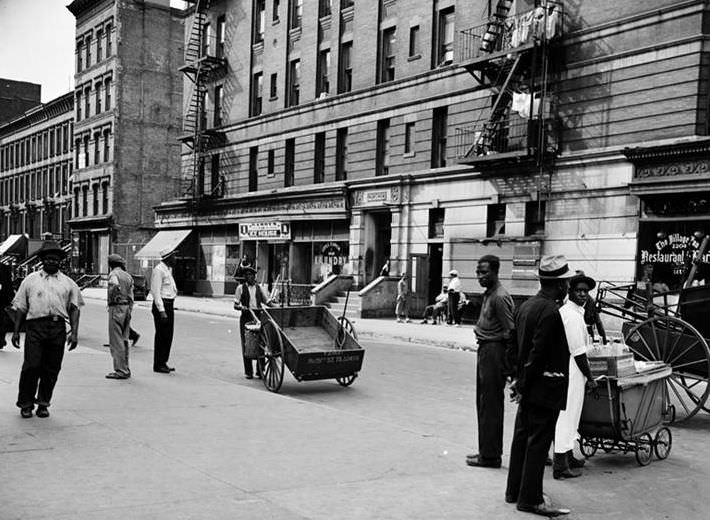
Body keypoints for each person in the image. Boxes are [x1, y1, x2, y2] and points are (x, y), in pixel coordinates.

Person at [505, 254, 573, 517]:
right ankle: (531, 499)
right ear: (558, 285)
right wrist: (522, 384)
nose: (567, 287)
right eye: (565, 283)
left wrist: (515, 379)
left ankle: (514, 491)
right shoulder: (551, 312)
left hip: (529, 386)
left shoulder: (526, 306)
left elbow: (512, 346)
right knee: (537, 443)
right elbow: (538, 353)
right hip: (543, 388)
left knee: (522, 439)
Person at [11, 240, 84, 418]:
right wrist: (15, 331)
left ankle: (43, 403)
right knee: (32, 366)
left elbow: (74, 309)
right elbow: (20, 307)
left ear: (60, 261)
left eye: (55, 259)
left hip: (57, 327)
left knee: (51, 368)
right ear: (42, 260)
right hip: (35, 326)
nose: (52, 262)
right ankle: (26, 404)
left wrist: (74, 333)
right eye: (48, 258)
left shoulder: (68, 283)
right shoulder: (30, 280)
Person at [467, 255, 515, 469]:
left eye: (484, 272)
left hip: (494, 352)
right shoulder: (489, 294)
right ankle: (486, 451)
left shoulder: (499, 297)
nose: (480, 276)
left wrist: (508, 363)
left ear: (496, 271)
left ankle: (490, 456)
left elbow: (510, 331)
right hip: (486, 350)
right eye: (478, 272)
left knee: (490, 404)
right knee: (484, 403)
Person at [553, 271, 598, 479]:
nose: (583, 295)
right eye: (579, 291)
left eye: (586, 292)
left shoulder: (577, 312)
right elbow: (578, 353)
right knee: (566, 416)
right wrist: (590, 377)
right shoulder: (570, 315)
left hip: (574, 372)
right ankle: (561, 464)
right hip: (571, 371)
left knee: (573, 416)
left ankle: (568, 454)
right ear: (569, 292)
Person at [234, 266, 271, 379]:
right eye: (248, 275)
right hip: (246, 317)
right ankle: (248, 371)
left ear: (254, 276)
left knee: (261, 343)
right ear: (245, 277)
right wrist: (241, 307)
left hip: (258, 317)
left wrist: (276, 306)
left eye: (252, 275)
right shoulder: (240, 288)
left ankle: (260, 371)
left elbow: (267, 301)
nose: (250, 277)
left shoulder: (260, 288)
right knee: (247, 344)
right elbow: (235, 304)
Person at [105, 253, 134, 380]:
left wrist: (112, 298)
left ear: (111, 264)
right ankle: (126, 368)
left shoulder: (113, 274)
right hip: (126, 307)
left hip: (116, 307)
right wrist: (129, 309)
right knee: (124, 338)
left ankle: (120, 370)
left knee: (116, 340)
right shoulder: (128, 276)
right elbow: (131, 296)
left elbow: (114, 286)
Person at [151, 248, 178, 374]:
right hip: (162, 305)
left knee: (168, 335)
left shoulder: (168, 270)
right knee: (162, 335)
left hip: (169, 304)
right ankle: (158, 364)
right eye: (173, 257)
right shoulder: (158, 270)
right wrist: (161, 310)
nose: (175, 259)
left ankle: (163, 361)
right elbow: (156, 292)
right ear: (168, 258)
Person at [576, 270, 607, 344]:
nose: (582, 293)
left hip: (588, 335)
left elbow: (598, 323)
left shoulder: (591, 302)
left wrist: (604, 343)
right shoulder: (568, 302)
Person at [0, 263, 14, 349]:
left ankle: (0, 339)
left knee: (1, 320)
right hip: (3, 300)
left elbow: (8, 285)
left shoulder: (4, 268)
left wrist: (10, 299)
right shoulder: (4, 268)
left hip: (1, 300)